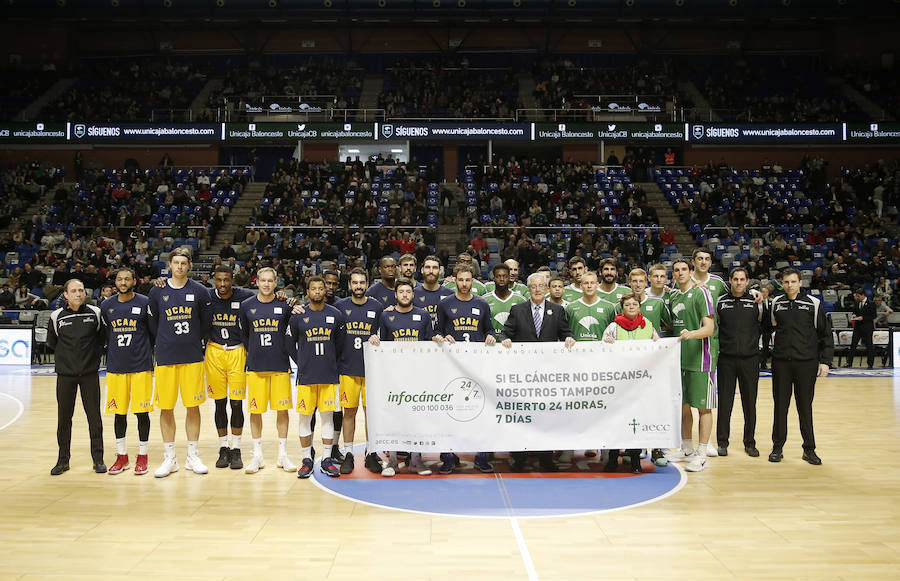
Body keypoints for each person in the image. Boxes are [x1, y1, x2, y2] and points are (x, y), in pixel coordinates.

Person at [499, 273, 576, 472]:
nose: (538, 289)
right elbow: (505, 332)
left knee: (545, 417)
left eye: (542, 286)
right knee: (521, 416)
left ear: (548, 288)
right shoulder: (517, 310)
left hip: (547, 375)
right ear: (528, 289)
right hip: (522, 375)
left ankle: (546, 458)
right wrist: (505, 339)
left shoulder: (557, 310)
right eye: (534, 286)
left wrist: (569, 339)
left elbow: (566, 332)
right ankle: (519, 458)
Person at [147, 248, 212, 478]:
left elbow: (205, 324)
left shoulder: (201, 292)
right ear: (170, 265)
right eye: (176, 263)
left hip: (193, 357)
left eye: (184, 263)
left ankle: (192, 455)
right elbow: (153, 323)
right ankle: (170, 457)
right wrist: (164, 342)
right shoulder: (157, 291)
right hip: (165, 357)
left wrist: (195, 342)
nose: (180, 267)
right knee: (166, 407)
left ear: (190, 266)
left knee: (192, 406)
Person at [368, 277, 441, 477]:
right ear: (396, 295)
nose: (405, 295)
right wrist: (375, 339)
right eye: (401, 292)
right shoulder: (385, 316)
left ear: (413, 294)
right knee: (393, 416)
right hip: (393, 376)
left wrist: (435, 339)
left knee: (416, 417)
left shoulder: (423, 316)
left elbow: (429, 343)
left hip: (417, 375)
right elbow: (380, 343)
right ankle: (392, 461)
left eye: (408, 292)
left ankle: (416, 461)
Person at [434, 264, 497, 474]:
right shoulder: (445, 304)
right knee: (450, 412)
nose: (464, 284)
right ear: (454, 280)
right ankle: (449, 456)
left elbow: (489, 329)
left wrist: (491, 336)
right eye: (460, 280)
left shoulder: (482, 304)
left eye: (467, 280)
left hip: (477, 367)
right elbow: (437, 331)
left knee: (480, 412)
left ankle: (481, 455)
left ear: (473, 281)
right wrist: (442, 337)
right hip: (451, 367)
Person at [768, 268, 833, 465]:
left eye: (793, 282)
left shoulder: (813, 304)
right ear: (782, 283)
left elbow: (826, 334)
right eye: (786, 282)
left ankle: (809, 449)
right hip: (781, 364)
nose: (789, 285)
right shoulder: (776, 304)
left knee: (805, 408)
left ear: (800, 283)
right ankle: (777, 448)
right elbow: (769, 328)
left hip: (806, 364)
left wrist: (826, 361)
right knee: (780, 407)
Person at [288, 275, 346, 479]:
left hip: (329, 376)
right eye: (314, 289)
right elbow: (289, 342)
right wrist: (301, 362)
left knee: (327, 417)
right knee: (305, 418)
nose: (318, 292)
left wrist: (331, 362)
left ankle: (327, 459)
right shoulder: (298, 315)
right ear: (308, 292)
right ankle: (306, 459)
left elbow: (340, 345)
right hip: (306, 376)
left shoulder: (336, 315)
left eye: (321, 288)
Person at [47, 278, 107, 475]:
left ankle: (98, 460)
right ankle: (63, 460)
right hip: (65, 376)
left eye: (81, 290)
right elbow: (53, 343)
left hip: (89, 374)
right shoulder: (56, 317)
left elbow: (102, 340)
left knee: (94, 418)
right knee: (64, 419)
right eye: (74, 291)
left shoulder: (96, 313)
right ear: (66, 295)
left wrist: (91, 359)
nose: (78, 294)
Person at [240, 268, 296, 474]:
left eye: (270, 281)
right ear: (256, 282)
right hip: (255, 366)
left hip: (280, 364)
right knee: (255, 411)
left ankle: (283, 454)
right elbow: (245, 335)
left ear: (275, 283)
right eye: (262, 280)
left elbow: (292, 331)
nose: (266, 284)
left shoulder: (284, 305)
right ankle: (257, 455)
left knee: (283, 410)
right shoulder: (246, 306)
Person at [101, 268, 153, 476]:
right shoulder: (107, 305)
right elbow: (107, 335)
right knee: (118, 413)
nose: (123, 282)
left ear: (134, 281)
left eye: (127, 279)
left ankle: (143, 455)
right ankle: (122, 456)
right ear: (115, 282)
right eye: (120, 279)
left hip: (140, 367)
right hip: (116, 368)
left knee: (142, 413)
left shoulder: (144, 303)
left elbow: (152, 333)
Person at [665, 259, 716, 472]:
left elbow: (710, 328)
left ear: (690, 271)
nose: (680, 273)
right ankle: (686, 448)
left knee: (703, 407)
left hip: (701, 360)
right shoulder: (674, 296)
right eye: (676, 270)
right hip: (680, 360)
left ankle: (702, 453)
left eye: (684, 269)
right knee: (684, 406)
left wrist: (692, 334)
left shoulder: (701, 293)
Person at [601, 292, 660, 473]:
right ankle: (612, 459)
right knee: (615, 421)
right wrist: (606, 343)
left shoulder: (648, 326)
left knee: (636, 421)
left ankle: (635, 459)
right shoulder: (613, 327)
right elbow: (601, 351)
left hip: (640, 384)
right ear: (622, 308)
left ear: (639, 307)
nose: (631, 307)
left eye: (635, 304)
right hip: (618, 384)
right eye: (627, 305)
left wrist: (660, 345)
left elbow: (659, 348)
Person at [204, 265, 255, 470]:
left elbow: (264, 298)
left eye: (226, 280)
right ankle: (223, 447)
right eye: (219, 280)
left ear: (232, 280)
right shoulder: (206, 296)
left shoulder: (245, 296)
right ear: (213, 280)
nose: (223, 284)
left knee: (236, 404)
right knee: (218, 403)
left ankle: (236, 448)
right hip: (214, 352)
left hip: (237, 352)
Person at [335, 267, 385, 474]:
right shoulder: (339, 307)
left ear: (367, 284)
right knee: (349, 412)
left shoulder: (378, 308)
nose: (358, 286)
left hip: (371, 371)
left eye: (362, 283)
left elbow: (385, 334)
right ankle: (348, 453)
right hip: (347, 369)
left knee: (371, 414)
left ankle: (370, 452)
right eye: (354, 283)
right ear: (349, 285)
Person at [715, 267, 763, 458]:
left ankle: (749, 442)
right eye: (735, 279)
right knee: (725, 402)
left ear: (747, 281)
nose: (738, 282)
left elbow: (765, 324)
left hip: (750, 359)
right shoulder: (721, 302)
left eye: (742, 279)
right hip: (726, 358)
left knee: (749, 402)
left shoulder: (756, 301)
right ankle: (722, 442)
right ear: (730, 280)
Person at [483, 263, 527, 335]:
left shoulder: (520, 300)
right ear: (493, 278)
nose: (502, 279)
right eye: (498, 276)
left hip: (513, 344)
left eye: (505, 276)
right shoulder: (484, 300)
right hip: (490, 344)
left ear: (509, 277)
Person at [414, 254, 454, 326]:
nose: (431, 271)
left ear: (440, 271)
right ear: (422, 270)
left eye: (435, 268)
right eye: (428, 267)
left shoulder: (450, 294)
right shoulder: (412, 294)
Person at [848, 287, 876, 369]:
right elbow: (855, 311)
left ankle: (870, 364)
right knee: (853, 345)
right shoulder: (857, 303)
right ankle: (849, 362)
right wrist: (854, 315)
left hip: (867, 327)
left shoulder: (871, 303)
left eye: (858, 296)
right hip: (858, 327)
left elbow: (873, 316)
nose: (857, 297)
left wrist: (863, 318)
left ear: (863, 295)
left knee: (869, 346)